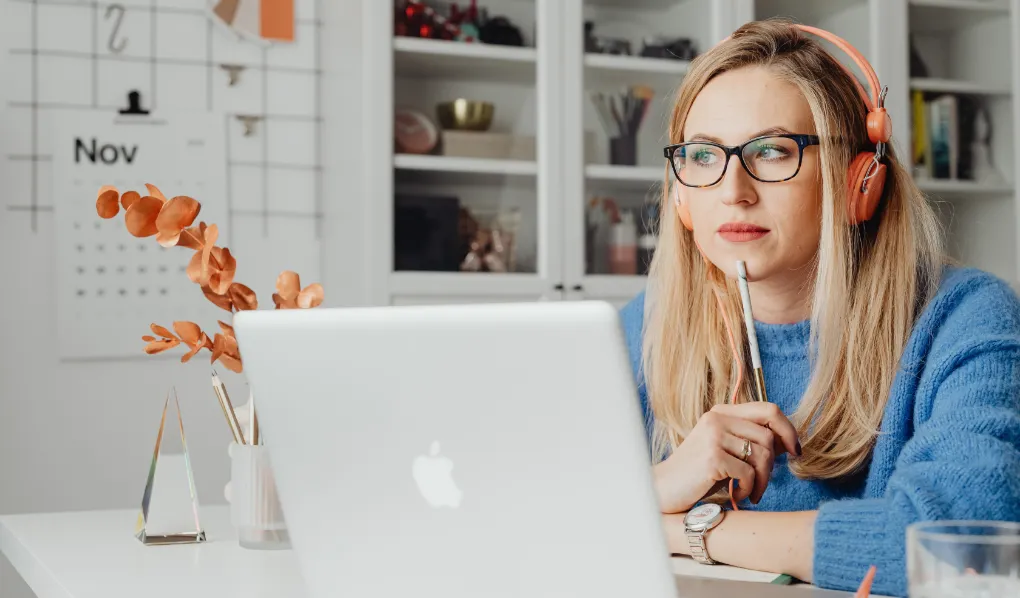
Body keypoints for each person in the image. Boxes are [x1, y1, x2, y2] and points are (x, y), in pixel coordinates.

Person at [619, 19, 1020, 597]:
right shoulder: (648, 325)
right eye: (704, 156)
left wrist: (680, 524)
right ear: (681, 194)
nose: (734, 189)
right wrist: (655, 488)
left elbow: (958, 546)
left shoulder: (966, 319)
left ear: (861, 181)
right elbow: (530, 510)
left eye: (773, 151)